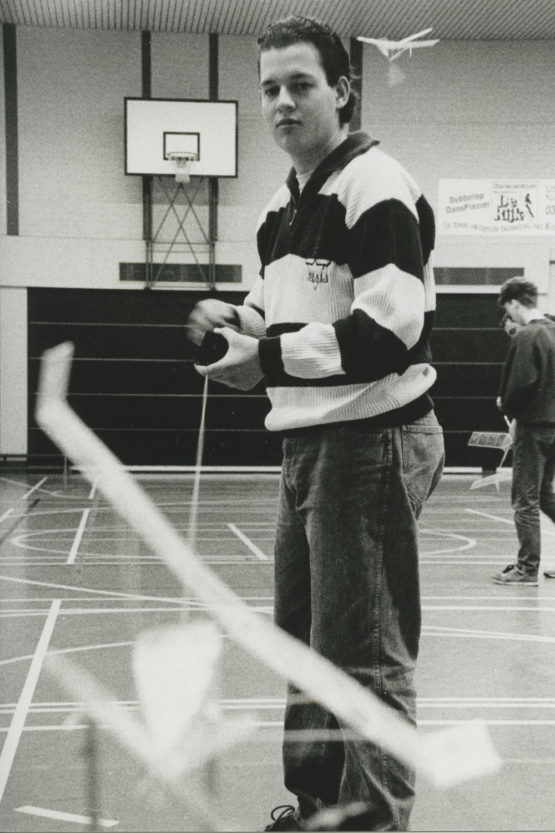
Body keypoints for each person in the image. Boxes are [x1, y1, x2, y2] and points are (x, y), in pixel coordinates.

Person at [187, 15, 444, 831]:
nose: (282, 103)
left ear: (340, 90)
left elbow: (387, 333)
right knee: (304, 646)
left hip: (372, 438)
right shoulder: (282, 203)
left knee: (361, 655)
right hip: (309, 440)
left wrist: (261, 359)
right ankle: (320, 810)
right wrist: (233, 322)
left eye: (300, 85)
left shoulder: (376, 186)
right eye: (268, 88)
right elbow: (272, 312)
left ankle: (371, 821)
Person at [492, 277, 555, 585]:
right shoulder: (554, 330)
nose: (510, 316)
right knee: (546, 496)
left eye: (508, 308)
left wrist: (506, 404)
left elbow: (521, 383)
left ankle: (527, 568)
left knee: (525, 500)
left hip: (534, 426)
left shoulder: (528, 336)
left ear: (514, 303)